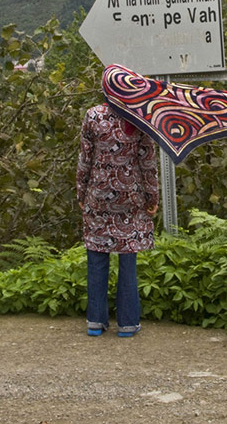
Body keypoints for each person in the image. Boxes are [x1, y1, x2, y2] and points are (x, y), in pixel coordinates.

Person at [76, 101, 159, 337]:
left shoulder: (92, 115)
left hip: (98, 194)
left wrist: (81, 192)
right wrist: (152, 196)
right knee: (127, 259)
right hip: (130, 197)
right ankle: (127, 323)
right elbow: (147, 162)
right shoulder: (139, 116)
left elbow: (85, 158)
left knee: (96, 256)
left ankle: (95, 321)